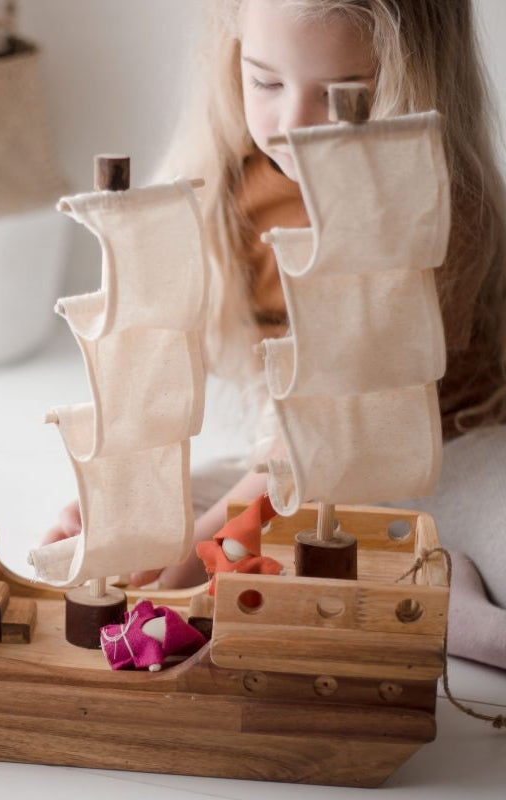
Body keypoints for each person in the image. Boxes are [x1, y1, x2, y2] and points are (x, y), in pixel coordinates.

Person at [44, 0, 506, 666]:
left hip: (448, 447)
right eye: (265, 81)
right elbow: (263, 442)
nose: (291, 124)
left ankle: (446, 600)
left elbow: (328, 432)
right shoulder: (236, 188)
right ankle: (416, 573)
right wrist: (134, 509)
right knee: (179, 508)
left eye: (342, 95)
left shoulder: (431, 206)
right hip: (299, 463)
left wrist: (199, 550)